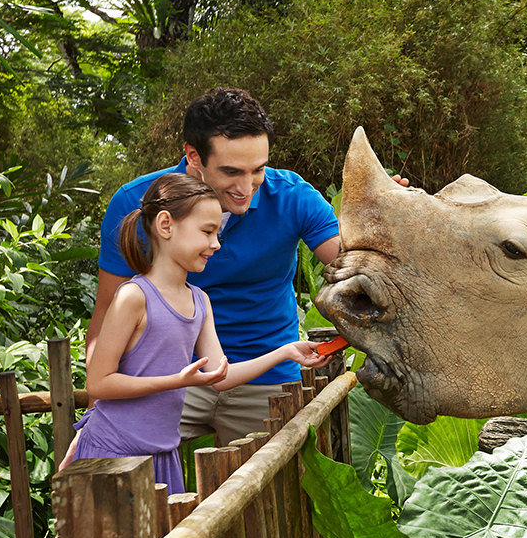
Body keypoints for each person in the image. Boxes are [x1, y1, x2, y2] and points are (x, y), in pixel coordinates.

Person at [86, 87, 341, 450]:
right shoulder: (135, 201)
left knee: (273, 499)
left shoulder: (292, 197)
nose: (246, 187)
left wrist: (381, 221)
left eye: (258, 170)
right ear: (193, 156)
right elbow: (105, 308)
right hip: (167, 377)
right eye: (231, 171)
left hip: (264, 375)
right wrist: (98, 406)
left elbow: (353, 263)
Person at [63, 173, 328, 491]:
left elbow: (221, 376)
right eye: (207, 232)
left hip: (163, 455)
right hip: (114, 453)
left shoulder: (200, 301)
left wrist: (285, 352)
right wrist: (178, 381)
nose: (216, 244)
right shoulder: (132, 297)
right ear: (165, 225)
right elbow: (99, 382)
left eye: (218, 232)